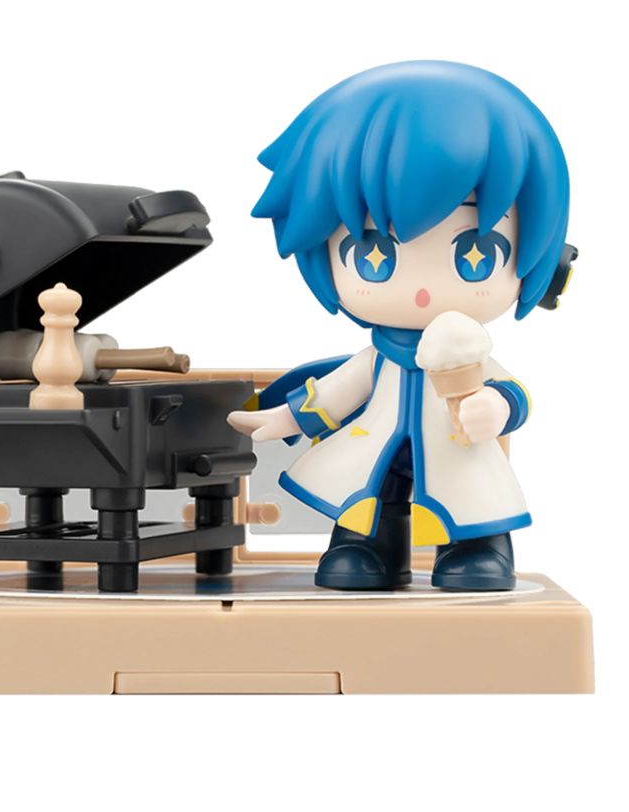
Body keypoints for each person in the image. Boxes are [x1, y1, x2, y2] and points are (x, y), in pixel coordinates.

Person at [228, 61, 573, 591]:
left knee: (471, 497)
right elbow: (339, 392)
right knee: (367, 500)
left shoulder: (468, 353)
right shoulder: (379, 359)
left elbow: (511, 391)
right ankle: (368, 550)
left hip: (459, 453)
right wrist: (287, 417)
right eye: (373, 256)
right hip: (376, 449)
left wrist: (496, 406)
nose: (422, 293)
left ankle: (478, 550)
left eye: (476, 253)